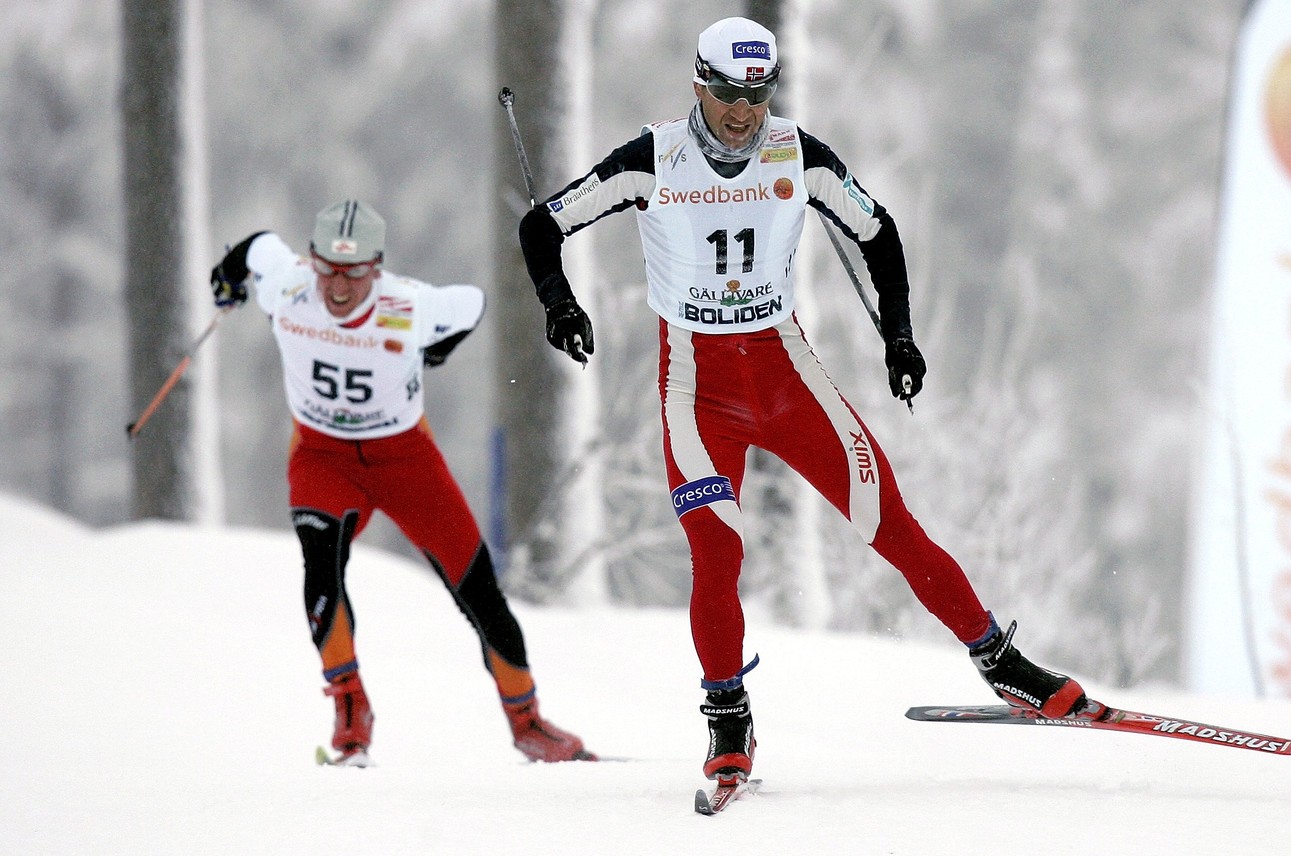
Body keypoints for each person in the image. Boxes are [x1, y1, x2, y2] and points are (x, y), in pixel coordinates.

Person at [518, 17, 1093, 787]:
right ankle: (728, 720)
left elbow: (878, 233)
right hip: (698, 390)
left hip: (787, 377)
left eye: (757, 94)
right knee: (717, 554)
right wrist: (560, 305)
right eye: (727, 93)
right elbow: (540, 225)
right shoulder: (654, 159)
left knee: (893, 526)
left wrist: (900, 338)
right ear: (699, 85)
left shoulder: (796, 153)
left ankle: (1002, 663)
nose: (742, 112)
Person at [211, 199, 594, 765]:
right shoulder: (288, 288)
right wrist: (228, 278)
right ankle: (350, 708)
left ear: (378, 267)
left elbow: (471, 304)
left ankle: (527, 721)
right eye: (329, 272)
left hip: (405, 460)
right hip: (322, 456)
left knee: (479, 591)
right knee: (320, 568)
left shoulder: (409, 305)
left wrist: (434, 349)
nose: (339, 289)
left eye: (356, 273)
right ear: (312, 261)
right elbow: (257, 246)